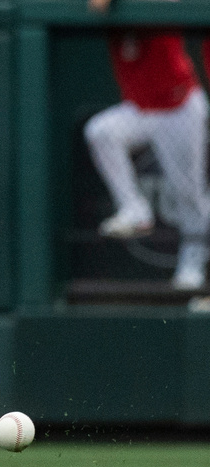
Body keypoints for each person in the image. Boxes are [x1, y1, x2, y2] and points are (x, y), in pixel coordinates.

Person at [84, 0, 210, 290]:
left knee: (188, 193)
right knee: (102, 132)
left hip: (179, 107)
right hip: (140, 108)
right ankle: (134, 208)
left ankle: (193, 266)